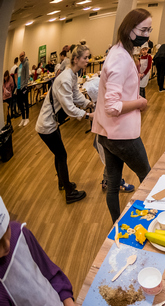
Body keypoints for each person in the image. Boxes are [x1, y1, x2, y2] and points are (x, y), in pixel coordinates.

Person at [0, 196, 80, 306]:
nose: (5, 246)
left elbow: (48, 268)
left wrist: (67, 300)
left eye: (4, 232)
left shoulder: (19, 232)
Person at [92, 8, 153, 223]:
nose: (148, 34)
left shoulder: (119, 52)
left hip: (107, 134)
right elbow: (112, 106)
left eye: (150, 29)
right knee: (147, 175)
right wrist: (140, 102)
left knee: (113, 183)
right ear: (129, 30)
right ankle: (148, 220)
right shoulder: (120, 58)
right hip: (121, 136)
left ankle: (117, 224)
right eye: (144, 29)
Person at [35, 45, 92, 204]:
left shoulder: (72, 75)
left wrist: (89, 104)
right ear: (76, 59)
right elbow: (69, 108)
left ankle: (63, 183)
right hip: (46, 126)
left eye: (88, 57)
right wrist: (88, 115)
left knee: (59, 154)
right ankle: (69, 193)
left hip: (51, 123)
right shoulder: (66, 78)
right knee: (62, 155)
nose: (88, 60)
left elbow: (75, 95)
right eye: (85, 58)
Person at [16, 52, 30, 127]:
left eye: (22, 56)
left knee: (26, 102)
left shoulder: (26, 63)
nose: (21, 57)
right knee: (20, 104)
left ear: (24, 56)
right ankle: (23, 118)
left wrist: (25, 86)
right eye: (20, 56)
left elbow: (27, 76)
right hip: (18, 87)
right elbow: (18, 76)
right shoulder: (20, 65)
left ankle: (27, 118)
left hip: (23, 87)